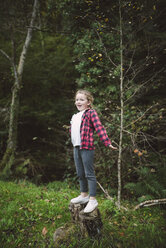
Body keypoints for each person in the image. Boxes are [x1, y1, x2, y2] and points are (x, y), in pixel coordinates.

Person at [70, 89, 117, 213]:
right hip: (76, 147)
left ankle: (92, 199)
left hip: (86, 147)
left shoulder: (91, 113)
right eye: (77, 99)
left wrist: (107, 142)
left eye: (82, 99)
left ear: (88, 102)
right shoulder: (75, 116)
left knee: (89, 173)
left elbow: (99, 128)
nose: (78, 102)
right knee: (80, 173)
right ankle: (84, 195)